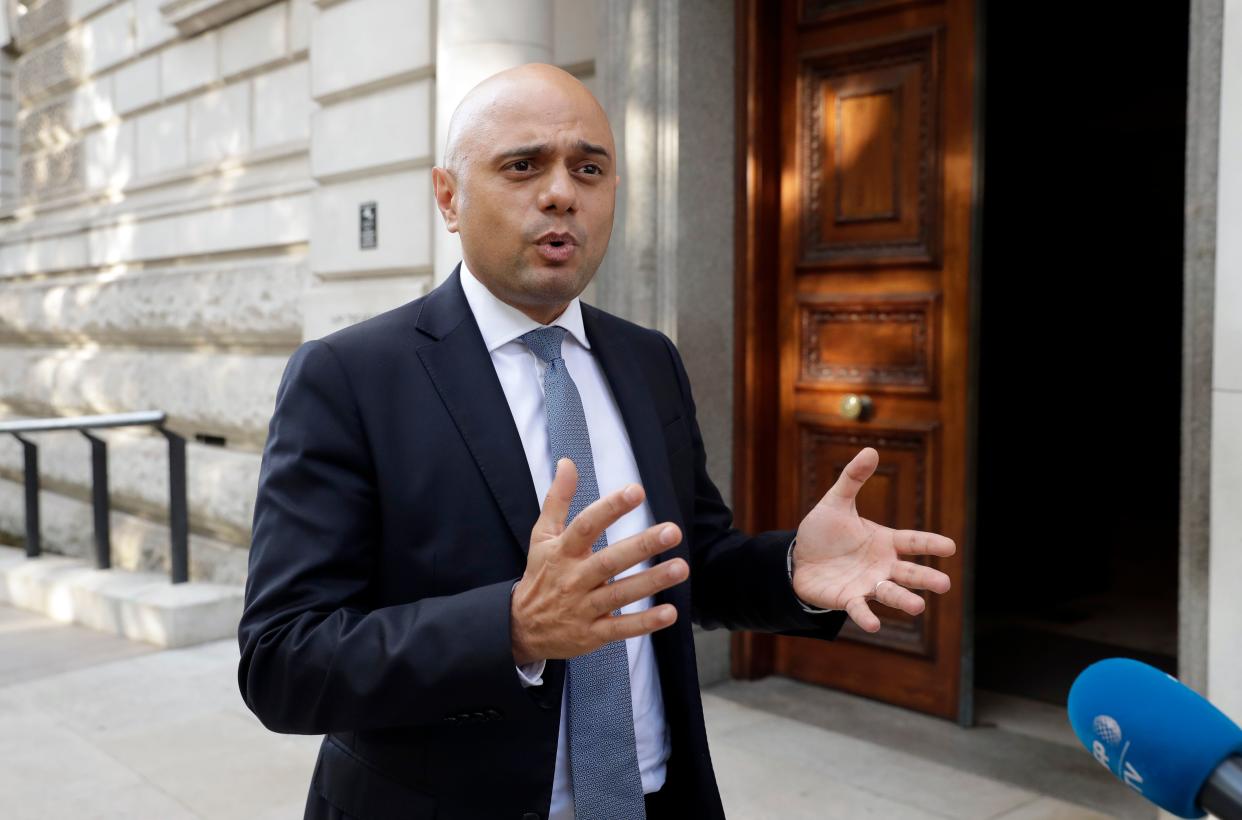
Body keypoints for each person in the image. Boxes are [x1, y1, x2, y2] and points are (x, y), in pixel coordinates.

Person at [238, 63, 955, 820]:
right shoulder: (349, 377)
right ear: (449, 197)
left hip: (654, 799)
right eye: (523, 165)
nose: (560, 192)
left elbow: (686, 566)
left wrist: (789, 570)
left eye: (589, 167)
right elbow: (283, 660)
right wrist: (508, 630)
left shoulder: (648, 359)